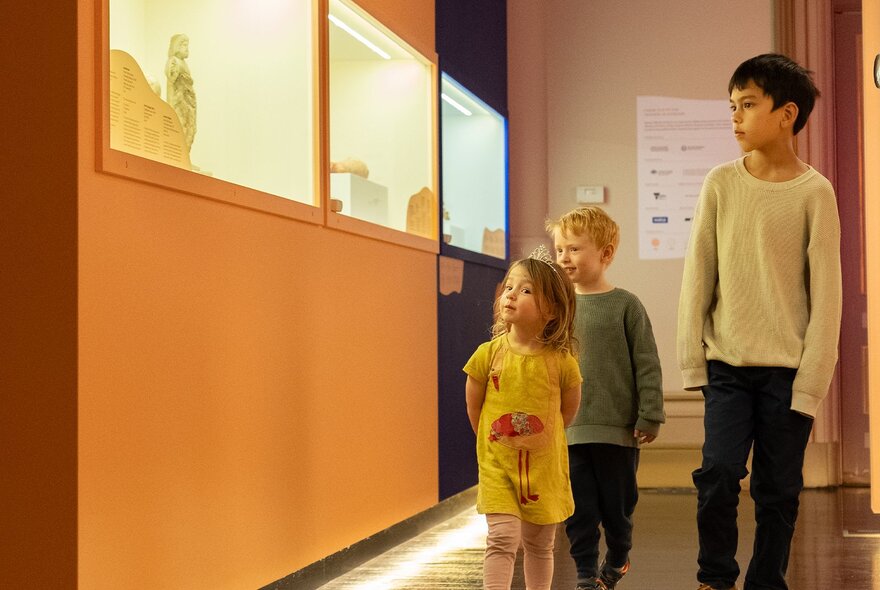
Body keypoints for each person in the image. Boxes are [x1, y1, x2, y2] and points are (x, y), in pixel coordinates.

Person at [677, 53, 842, 590]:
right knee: (719, 475)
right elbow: (698, 275)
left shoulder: (816, 193)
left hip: (787, 374)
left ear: (787, 113)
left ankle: (766, 581)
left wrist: (811, 383)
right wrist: (692, 360)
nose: (735, 117)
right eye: (732, 106)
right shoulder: (720, 184)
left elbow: (827, 298)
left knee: (779, 491)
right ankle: (714, 578)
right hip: (726, 365)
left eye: (748, 104)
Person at [546, 206, 665, 590]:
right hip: (570, 429)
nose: (565, 257)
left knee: (617, 508)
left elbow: (647, 363)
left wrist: (650, 414)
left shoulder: (626, 305)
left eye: (575, 249)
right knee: (578, 509)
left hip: (617, 429)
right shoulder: (556, 308)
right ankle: (584, 574)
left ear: (606, 253)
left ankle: (618, 557)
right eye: (560, 249)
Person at [464, 245, 583, 590]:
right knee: (502, 537)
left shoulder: (562, 363)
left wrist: (537, 441)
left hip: (544, 467)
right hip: (498, 464)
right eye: (509, 287)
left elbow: (566, 413)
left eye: (526, 290)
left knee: (539, 543)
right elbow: (475, 406)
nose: (511, 295)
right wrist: (492, 442)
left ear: (551, 311)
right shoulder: (488, 355)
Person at [165, 33, 197, 155]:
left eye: (187, 45)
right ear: (176, 46)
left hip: (188, 100)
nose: (186, 48)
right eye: (184, 45)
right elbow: (171, 77)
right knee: (180, 126)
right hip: (179, 100)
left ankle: (185, 155)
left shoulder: (184, 63)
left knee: (191, 128)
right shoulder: (174, 61)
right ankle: (178, 155)